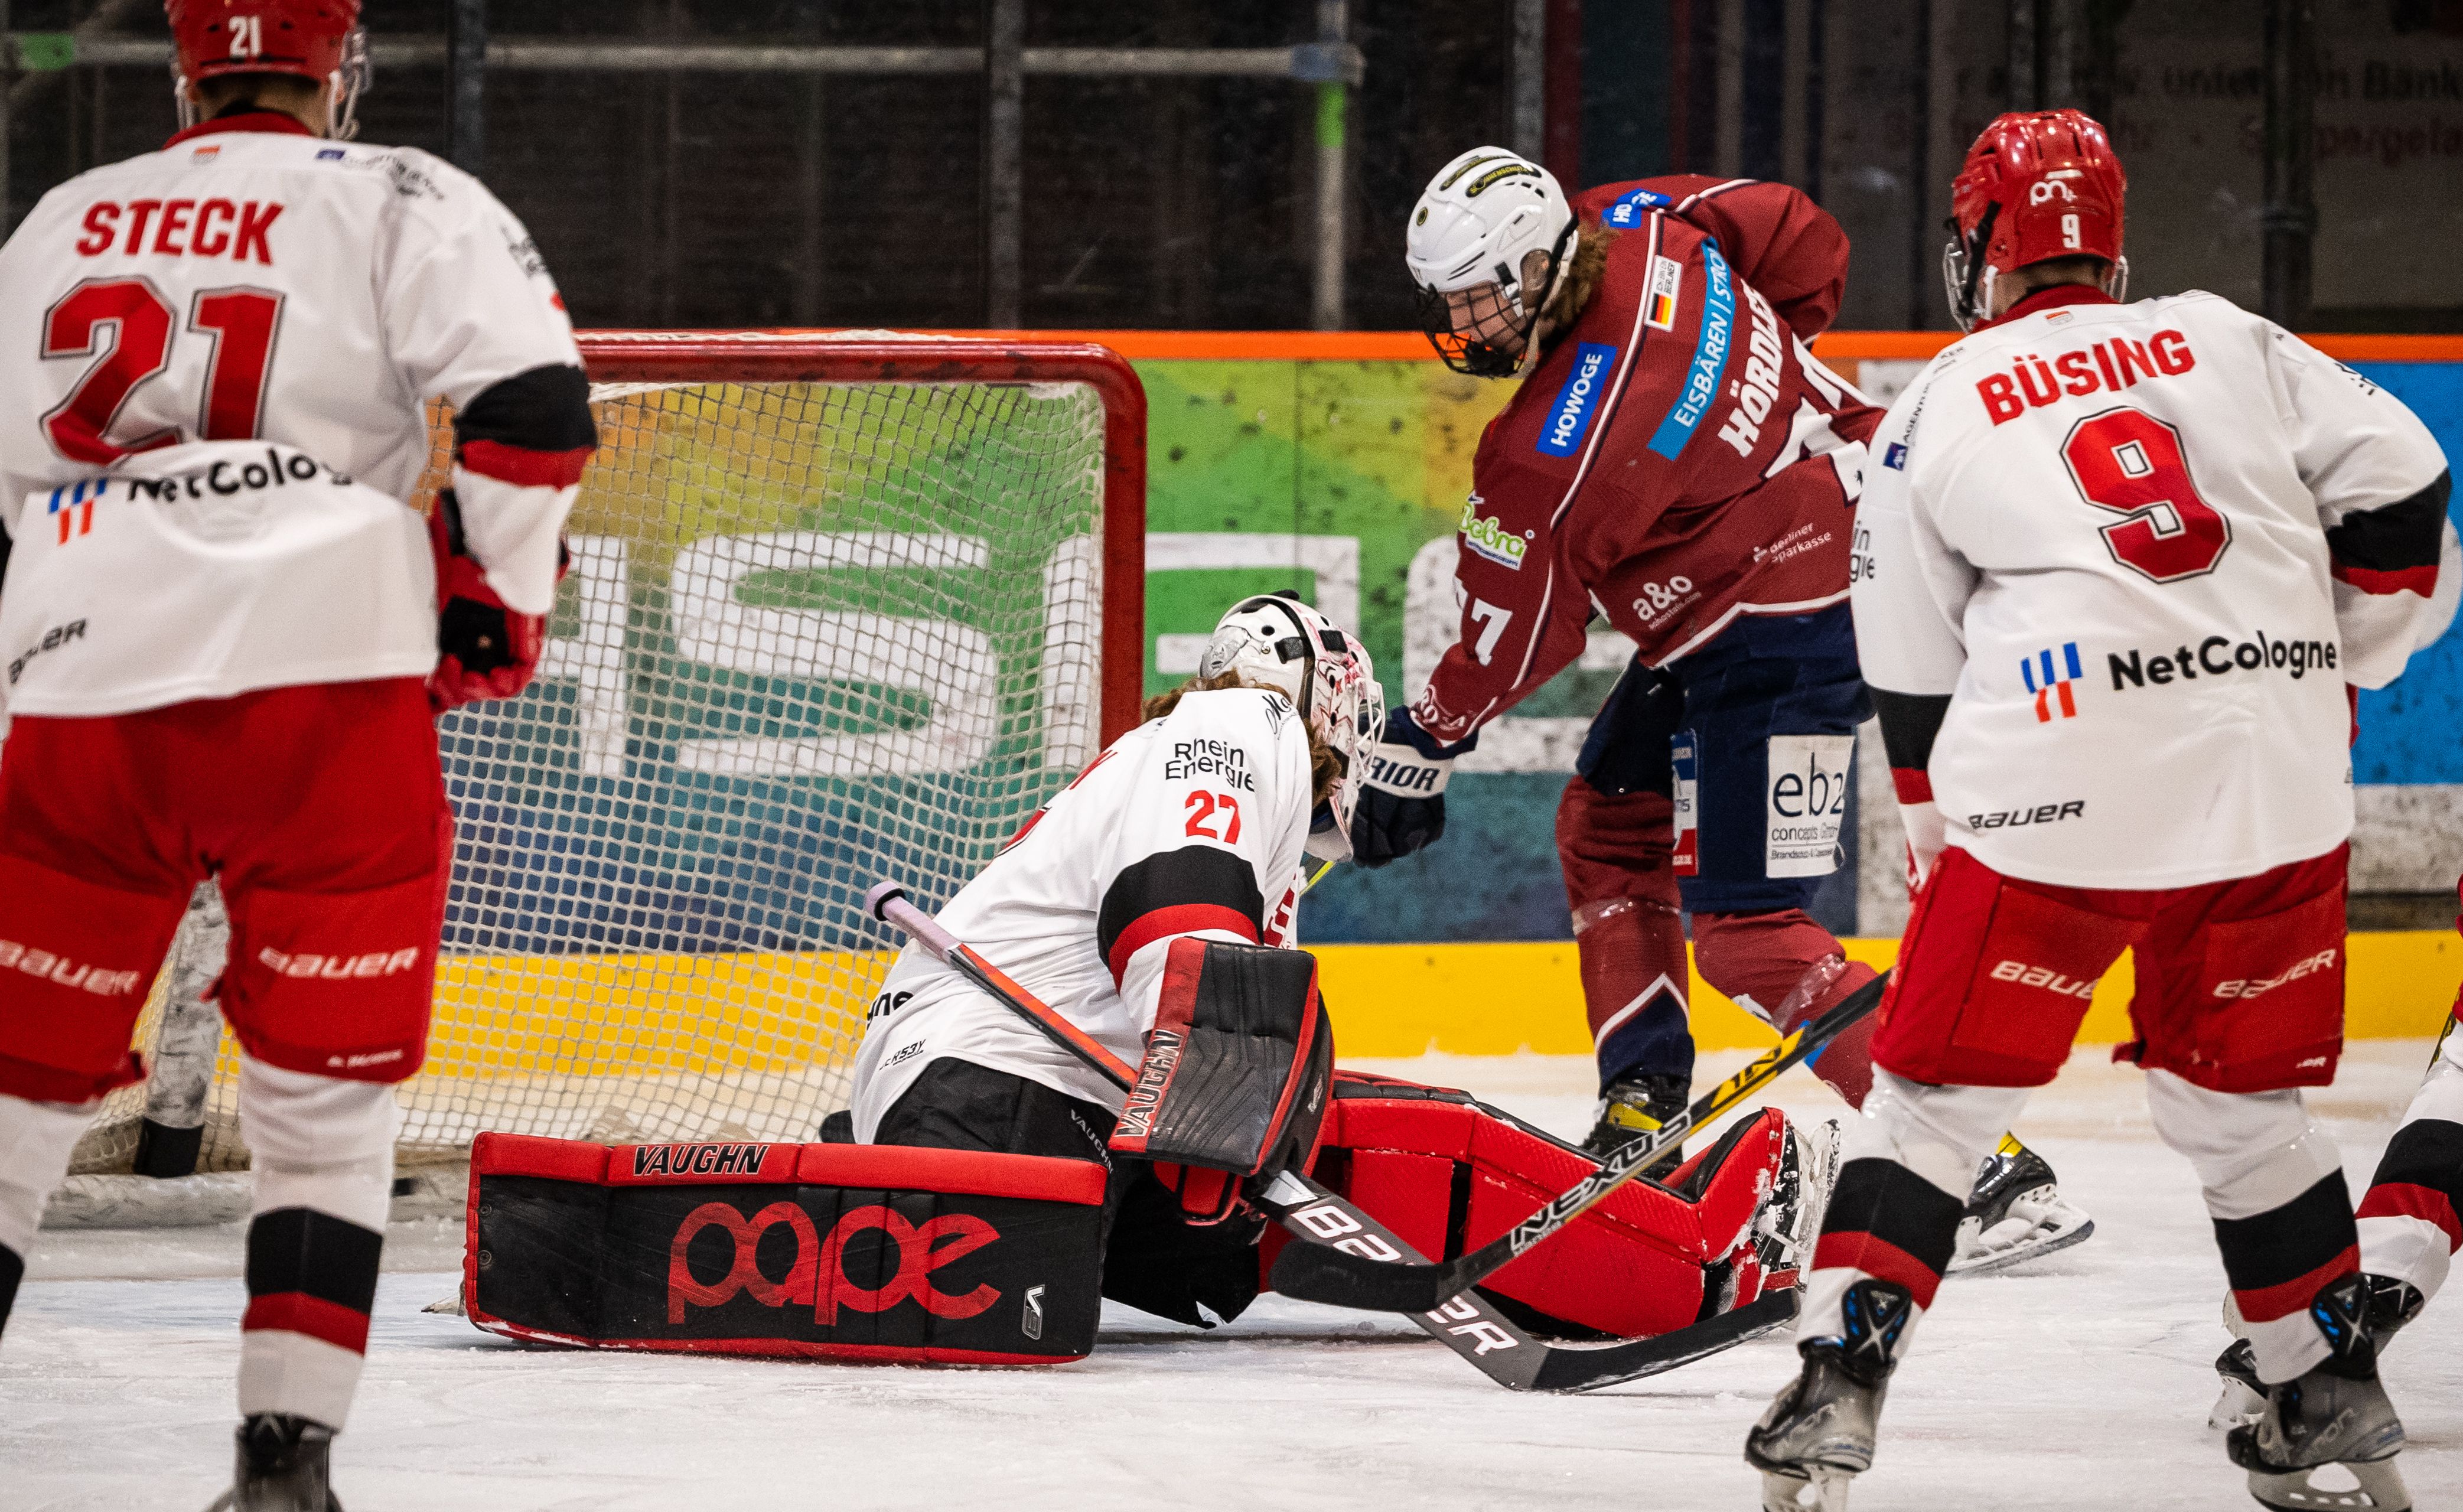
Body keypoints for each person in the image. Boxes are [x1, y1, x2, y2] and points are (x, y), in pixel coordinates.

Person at [1749, 109, 2454, 1512]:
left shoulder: (1938, 405)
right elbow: (2410, 489)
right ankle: (2320, 1387)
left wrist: (1953, 857)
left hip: (2056, 789)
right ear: (2109, 242)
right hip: (2278, 777)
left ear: (1979, 250)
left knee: (1936, 1109)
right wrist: (2323, 656)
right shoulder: (2231, 333)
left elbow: (1913, 682)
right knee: (2248, 1112)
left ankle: (1839, 1386)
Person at [0, 3, 595, 1507]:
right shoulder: (401, 194)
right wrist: (488, 600)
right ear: (337, 69)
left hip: (86, 681)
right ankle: (285, 1465)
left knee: (10, 1098)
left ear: (185, 72)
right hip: (328, 675)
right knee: (325, 1108)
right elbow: (534, 409)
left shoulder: (65, 216)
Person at [1366, 146, 2084, 1267]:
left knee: (1749, 933)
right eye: (1445, 302)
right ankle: (1642, 1108)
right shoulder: (1640, 216)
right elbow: (1802, 236)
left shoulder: (1546, 447)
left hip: (1788, 630)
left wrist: (1425, 738)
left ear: (1528, 265)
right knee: (1610, 821)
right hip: (1859, 547)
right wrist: (1759, 379)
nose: (1464, 326)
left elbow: (1517, 633)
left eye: (1477, 298)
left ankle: (1980, 1171)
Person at [845, 594, 1820, 1341]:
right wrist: (1210, 1105)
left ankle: (1613, 1272)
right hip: (997, 1101)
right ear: (1332, 700)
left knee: (1336, 1128)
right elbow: (1172, 908)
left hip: (990, 1114)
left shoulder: (1179, 757)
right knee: (1408, 1138)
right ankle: (1688, 1254)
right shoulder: (1242, 726)